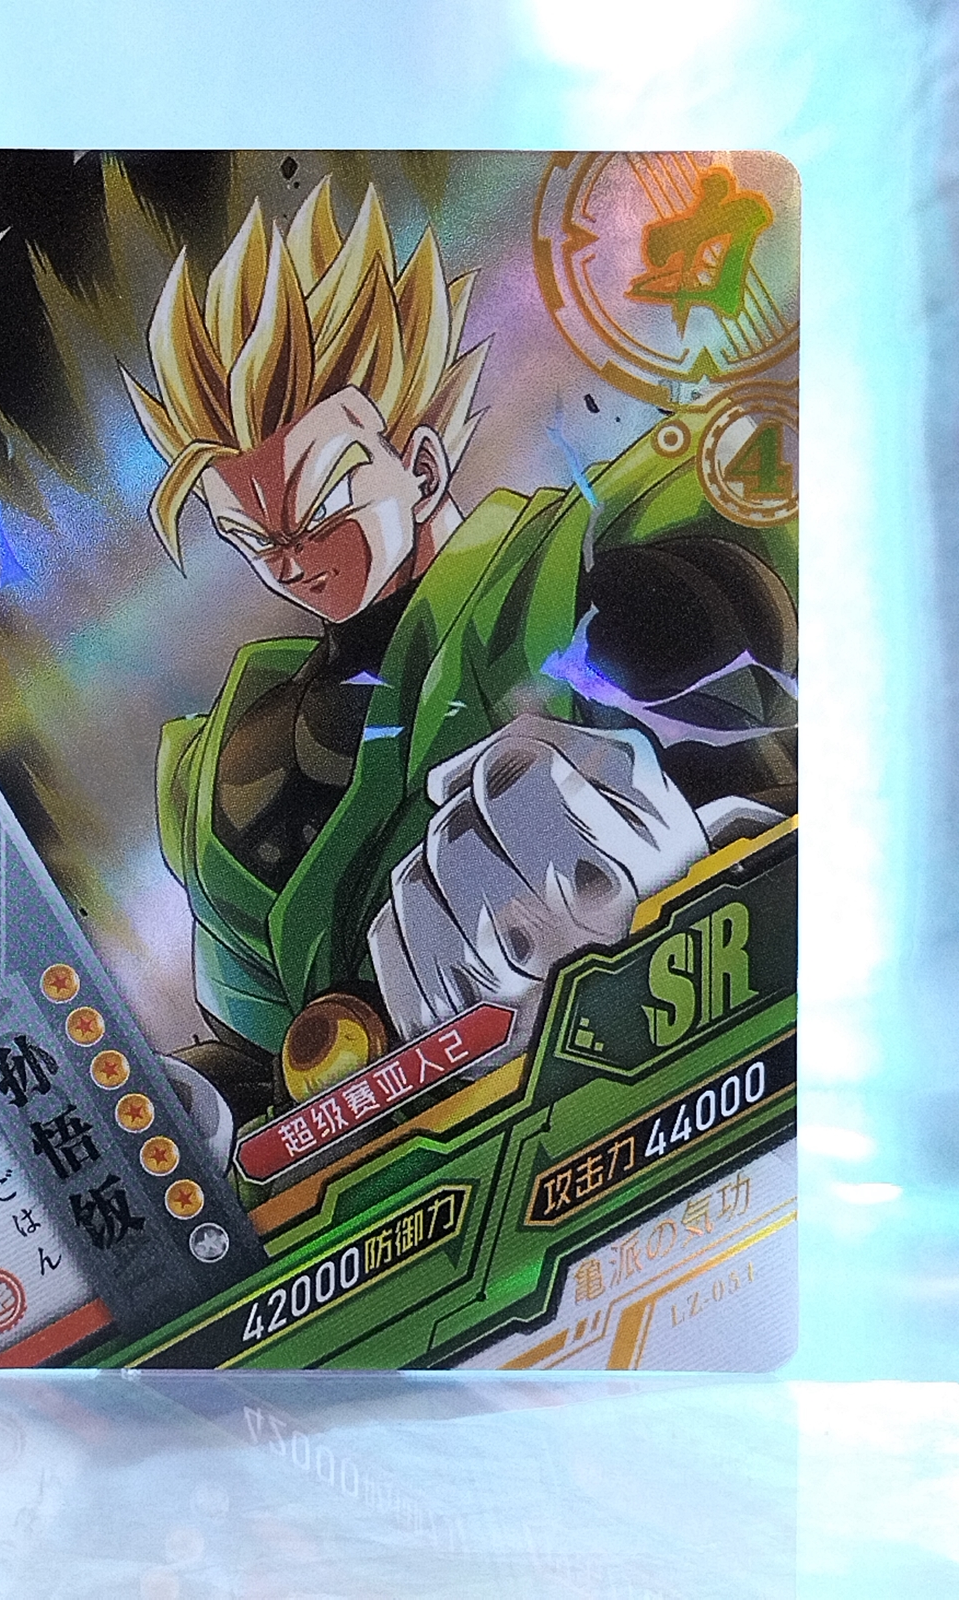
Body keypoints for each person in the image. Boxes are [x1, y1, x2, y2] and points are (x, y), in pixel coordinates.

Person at [123, 178, 797, 1134]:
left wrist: (669, 842)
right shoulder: (233, 776)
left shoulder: (578, 584)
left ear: (422, 466)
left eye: (322, 509)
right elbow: (260, 1066)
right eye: (252, 536)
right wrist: (182, 1113)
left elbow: (775, 737)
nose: (292, 561)